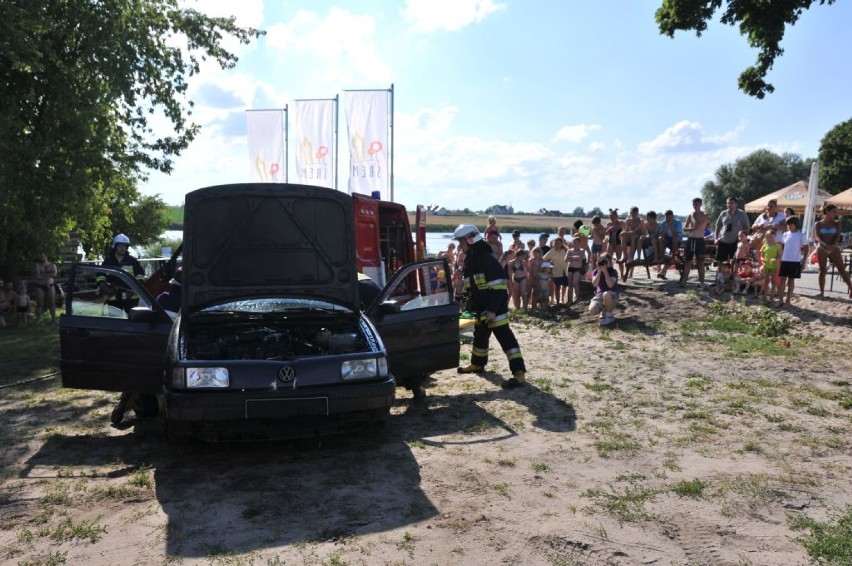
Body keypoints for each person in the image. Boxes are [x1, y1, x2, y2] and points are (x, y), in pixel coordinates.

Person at [453, 224, 527, 389]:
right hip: (481, 309)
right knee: (480, 336)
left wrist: (492, 310)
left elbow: (500, 287)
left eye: (461, 241)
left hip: (495, 310)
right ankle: (477, 364)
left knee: (506, 339)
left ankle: (519, 373)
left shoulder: (486, 259)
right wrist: (463, 296)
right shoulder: (472, 260)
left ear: (470, 240)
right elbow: (472, 285)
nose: (459, 245)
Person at [813, 203, 852, 298]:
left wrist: (833, 245)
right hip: (822, 247)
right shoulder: (818, 224)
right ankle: (821, 292)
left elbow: (838, 235)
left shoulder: (837, 223)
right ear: (827, 211)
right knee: (822, 270)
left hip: (834, 247)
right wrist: (825, 245)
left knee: (841, 269)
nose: (836, 213)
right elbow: (817, 237)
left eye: (836, 212)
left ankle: (851, 288)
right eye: (834, 211)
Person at [98, 234, 146, 312]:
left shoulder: (133, 262)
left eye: (124, 246)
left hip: (131, 297)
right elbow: (100, 275)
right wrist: (103, 286)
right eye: (119, 246)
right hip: (113, 297)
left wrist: (135, 289)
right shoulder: (108, 262)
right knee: (115, 321)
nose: (122, 248)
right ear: (115, 246)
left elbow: (140, 276)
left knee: (132, 320)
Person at [777, 216, 809, 307]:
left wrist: (803, 262)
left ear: (796, 225)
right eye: (788, 224)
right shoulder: (785, 234)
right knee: (782, 280)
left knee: (791, 281)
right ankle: (780, 300)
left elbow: (806, 249)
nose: (789, 226)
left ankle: (788, 301)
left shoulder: (801, 235)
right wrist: (779, 258)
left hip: (795, 261)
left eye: (791, 224)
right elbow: (782, 247)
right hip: (784, 260)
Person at [680, 198, 710, 287]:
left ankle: (702, 283)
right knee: (688, 261)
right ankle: (684, 281)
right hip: (691, 240)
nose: (695, 205)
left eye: (697, 204)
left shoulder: (705, 215)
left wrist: (693, 218)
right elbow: (685, 229)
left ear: (701, 204)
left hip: (700, 240)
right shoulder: (690, 215)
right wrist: (691, 228)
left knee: (700, 262)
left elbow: (698, 224)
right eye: (694, 204)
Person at [714, 196, 751, 264]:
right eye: (728, 203)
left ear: (736, 204)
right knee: (720, 261)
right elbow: (717, 226)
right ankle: (720, 274)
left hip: (735, 241)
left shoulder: (742, 214)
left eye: (731, 203)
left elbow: (747, 227)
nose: (729, 205)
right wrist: (715, 238)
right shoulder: (723, 213)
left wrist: (743, 240)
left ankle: (733, 274)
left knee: (734, 261)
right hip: (723, 240)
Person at [589, 254, 619, 326]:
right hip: (600, 295)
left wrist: (605, 271)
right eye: (602, 260)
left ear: (609, 262)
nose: (603, 263)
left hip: (611, 295)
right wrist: (599, 271)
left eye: (606, 261)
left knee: (606, 294)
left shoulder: (613, 271)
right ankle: (603, 310)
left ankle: (609, 315)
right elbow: (594, 284)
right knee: (592, 310)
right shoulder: (596, 271)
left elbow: (610, 285)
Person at [657, 210, 681, 280]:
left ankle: (672, 257)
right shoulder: (663, 223)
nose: (668, 219)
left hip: (676, 240)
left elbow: (677, 235)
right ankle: (662, 257)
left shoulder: (678, 222)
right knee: (660, 239)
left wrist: (670, 226)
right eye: (667, 218)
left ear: (673, 217)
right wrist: (666, 227)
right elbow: (661, 235)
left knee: (675, 239)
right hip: (667, 241)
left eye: (670, 217)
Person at [544, 237, 569, 304]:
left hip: (565, 271)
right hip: (556, 272)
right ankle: (558, 302)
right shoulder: (552, 251)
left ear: (561, 243)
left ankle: (563, 299)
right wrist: (549, 264)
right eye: (555, 243)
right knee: (557, 287)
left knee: (565, 286)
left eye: (558, 243)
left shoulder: (566, 250)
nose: (556, 245)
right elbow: (544, 259)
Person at [34, 253, 58, 322]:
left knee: (52, 303)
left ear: (46, 256)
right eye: (40, 257)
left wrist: (43, 274)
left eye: (42, 256)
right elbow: (38, 276)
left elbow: (54, 274)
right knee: (39, 303)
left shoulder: (52, 265)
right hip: (40, 286)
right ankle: (38, 320)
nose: (41, 258)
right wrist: (49, 274)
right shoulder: (37, 265)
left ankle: (53, 319)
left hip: (50, 285)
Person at [760, 229, 782, 300]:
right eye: (769, 237)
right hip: (766, 266)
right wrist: (762, 259)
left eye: (772, 237)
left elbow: (779, 255)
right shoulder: (764, 246)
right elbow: (762, 255)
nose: (771, 239)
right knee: (766, 281)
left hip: (774, 266)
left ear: (775, 237)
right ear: (766, 237)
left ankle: (771, 296)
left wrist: (775, 259)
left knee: (773, 281)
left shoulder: (777, 246)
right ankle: (765, 295)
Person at [565, 235, 585, 305]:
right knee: (570, 284)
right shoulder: (569, 250)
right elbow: (566, 260)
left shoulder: (582, 250)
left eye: (576, 242)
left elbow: (579, 258)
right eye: (574, 242)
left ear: (579, 243)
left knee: (575, 283)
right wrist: (573, 258)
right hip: (570, 268)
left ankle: (577, 298)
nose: (575, 244)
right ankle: (569, 300)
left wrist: (571, 258)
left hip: (577, 269)